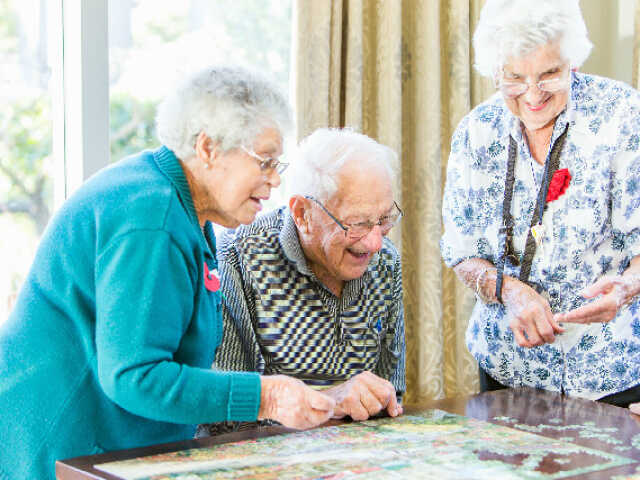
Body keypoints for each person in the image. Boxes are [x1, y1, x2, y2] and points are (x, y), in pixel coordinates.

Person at [0, 66, 336, 480]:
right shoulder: (152, 216)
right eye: (265, 163)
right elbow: (135, 375)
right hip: (59, 444)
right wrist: (266, 397)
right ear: (208, 148)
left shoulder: (184, 208)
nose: (274, 181)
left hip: (99, 443)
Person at [440, 0, 640, 408]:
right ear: (495, 72)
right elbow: (462, 253)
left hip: (611, 369)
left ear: (574, 63)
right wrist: (512, 292)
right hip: (508, 372)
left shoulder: (623, 117)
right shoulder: (475, 134)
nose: (532, 94)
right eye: (514, 78)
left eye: (550, 74)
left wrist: (624, 288)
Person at [198, 128, 405, 436]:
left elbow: (393, 395)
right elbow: (218, 418)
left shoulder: (385, 262)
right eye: (358, 223)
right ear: (302, 212)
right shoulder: (237, 259)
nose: (375, 243)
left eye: (385, 219)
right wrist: (329, 402)